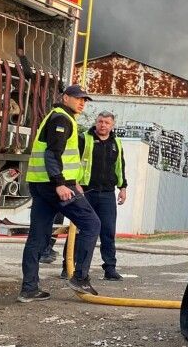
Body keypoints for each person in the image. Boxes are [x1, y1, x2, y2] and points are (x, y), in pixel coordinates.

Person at [18, 85, 102, 302]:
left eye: (85, 100)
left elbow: (62, 156)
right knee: (92, 224)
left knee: (38, 236)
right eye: (78, 98)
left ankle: (29, 289)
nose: (82, 102)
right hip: (54, 186)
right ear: (65, 98)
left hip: (40, 184)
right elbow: (52, 154)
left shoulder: (57, 116)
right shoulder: (62, 119)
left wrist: (74, 182)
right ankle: (80, 277)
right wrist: (61, 184)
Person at [61, 111, 128, 281]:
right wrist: (74, 183)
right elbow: (72, 161)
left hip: (107, 194)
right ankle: (68, 266)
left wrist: (122, 187)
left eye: (106, 122)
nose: (103, 125)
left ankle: (110, 268)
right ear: (96, 122)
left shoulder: (116, 143)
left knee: (108, 231)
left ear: (112, 125)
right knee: (78, 230)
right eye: (100, 121)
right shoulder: (84, 138)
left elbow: (120, 166)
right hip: (85, 191)